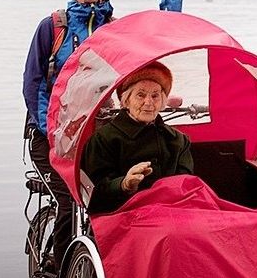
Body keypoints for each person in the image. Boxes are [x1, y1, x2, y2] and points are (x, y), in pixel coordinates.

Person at [23, 0, 190, 278]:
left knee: (113, 192)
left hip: (97, 130)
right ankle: (58, 277)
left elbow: (156, 43)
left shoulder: (113, 30)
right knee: (71, 199)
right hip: (50, 136)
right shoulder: (52, 27)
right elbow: (34, 83)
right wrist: (52, 129)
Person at [81, 62, 195, 216]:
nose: (148, 102)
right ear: (125, 100)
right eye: (140, 95)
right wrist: (124, 184)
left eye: (155, 96)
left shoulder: (179, 140)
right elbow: (95, 195)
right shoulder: (103, 139)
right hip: (124, 217)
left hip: (173, 213)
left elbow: (186, 187)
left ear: (162, 101)